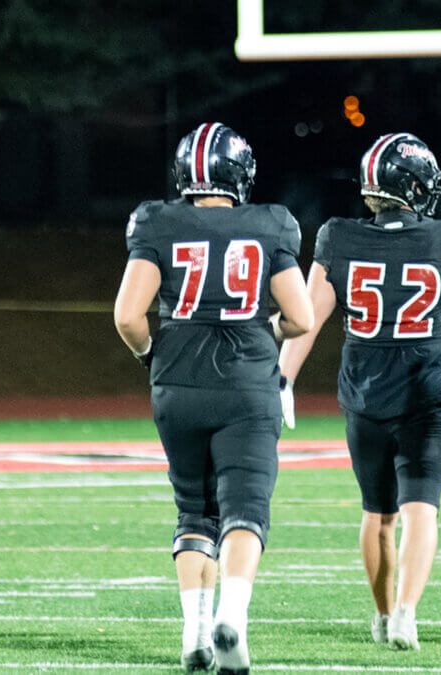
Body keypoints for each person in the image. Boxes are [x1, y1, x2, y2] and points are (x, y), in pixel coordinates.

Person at [114, 122, 314, 674]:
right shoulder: (271, 225)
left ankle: (195, 634)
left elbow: (128, 316)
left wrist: (151, 355)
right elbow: (301, 317)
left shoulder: (158, 221)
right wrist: (264, 333)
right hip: (247, 385)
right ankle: (232, 616)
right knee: (245, 507)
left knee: (193, 510)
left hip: (176, 383)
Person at [277, 132, 441, 651]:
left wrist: (283, 379)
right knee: (422, 509)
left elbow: (307, 317)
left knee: (377, 513)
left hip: (365, 392)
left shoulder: (339, 236)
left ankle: (382, 613)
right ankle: (407, 615)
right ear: (416, 187)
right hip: (428, 389)